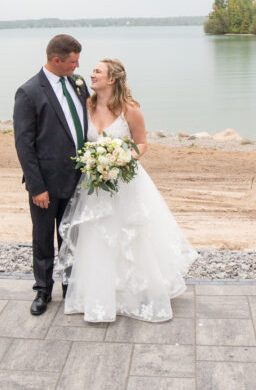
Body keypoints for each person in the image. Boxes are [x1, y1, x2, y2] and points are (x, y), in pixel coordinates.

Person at [55, 58, 197, 322]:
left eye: (98, 71)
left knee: (130, 236)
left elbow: (141, 143)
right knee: (97, 236)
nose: (91, 74)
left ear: (112, 79)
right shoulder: (86, 105)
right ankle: (100, 294)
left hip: (125, 182)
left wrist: (122, 158)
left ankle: (135, 292)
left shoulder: (130, 109)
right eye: (93, 71)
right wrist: (96, 161)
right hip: (95, 184)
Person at [13, 34, 90, 315]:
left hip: (78, 180)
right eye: (73, 61)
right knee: (43, 238)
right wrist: (37, 187)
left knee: (71, 236)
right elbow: (24, 144)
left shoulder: (78, 84)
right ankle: (43, 290)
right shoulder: (29, 92)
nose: (77, 66)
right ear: (56, 60)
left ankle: (71, 287)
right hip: (46, 183)